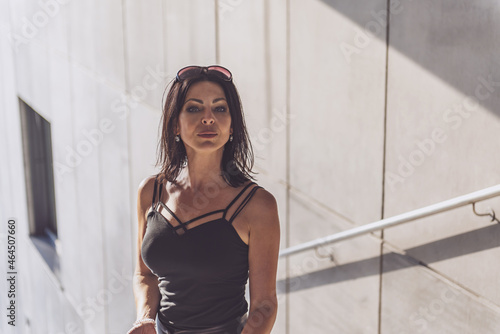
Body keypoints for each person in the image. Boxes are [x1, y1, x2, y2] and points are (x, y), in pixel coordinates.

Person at [127, 65, 281, 334]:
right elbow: (145, 275)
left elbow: (264, 306)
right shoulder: (150, 192)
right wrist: (145, 318)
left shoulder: (258, 206)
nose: (208, 118)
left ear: (232, 125)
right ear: (175, 123)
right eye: (194, 108)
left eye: (220, 109)